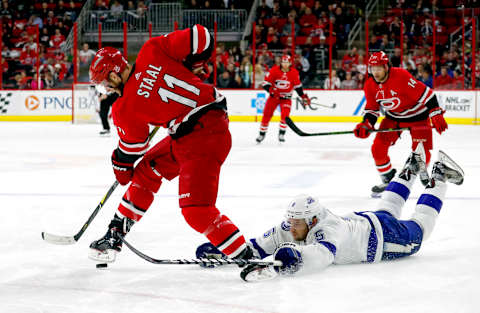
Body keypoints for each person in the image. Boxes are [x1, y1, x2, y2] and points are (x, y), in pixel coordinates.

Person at [88, 24, 253, 264]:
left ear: (114, 74)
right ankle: (115, 234)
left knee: (196, 209)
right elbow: (201, 35)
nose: (107, 88)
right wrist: (194, 64)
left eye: (105, 82)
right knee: (147, 170)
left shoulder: (124, 107)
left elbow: (132, 148)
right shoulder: (151, 50)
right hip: (197, 132)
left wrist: (120, 164)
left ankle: (247, 258)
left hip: (201, 140)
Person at [196, 149, 464, 282]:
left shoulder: (328, 228)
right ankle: (410, 169)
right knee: (389, 206)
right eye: (292, 220)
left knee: (421, 229)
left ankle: (439, 175)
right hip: (367, 221)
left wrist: (297, 258)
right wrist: (224, 251)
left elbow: (324, 255)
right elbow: (256, 247)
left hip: (384, 238)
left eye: (298, 222)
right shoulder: (293, 224)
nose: (292, 226)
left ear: (312, 220)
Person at [354, 51, 448, 196]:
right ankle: (387, 179)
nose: (376, 72)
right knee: (378, 149)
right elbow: (372, 109)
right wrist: (366, 124)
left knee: (420, 154)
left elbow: (427, 94)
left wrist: (435, 112)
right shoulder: (370, 85)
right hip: (393, 117)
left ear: (386, 67)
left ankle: (422, 170)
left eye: (379, 68)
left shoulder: (401, 76)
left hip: (418, 116)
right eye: (373, 68)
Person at [256, 55, 310, 144]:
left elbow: (298, 87)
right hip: (274, 98)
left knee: (285, 116)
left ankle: (281, 134)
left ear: (290, 63)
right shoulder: (274, 70)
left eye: (287, 62)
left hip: (286, 99)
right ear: (281, 62)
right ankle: (262, 134)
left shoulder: (294, 73)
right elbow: (265, 83)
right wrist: (271, 90)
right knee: (267, 115)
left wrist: (303, 97)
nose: (285, 64)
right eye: (283, 62)